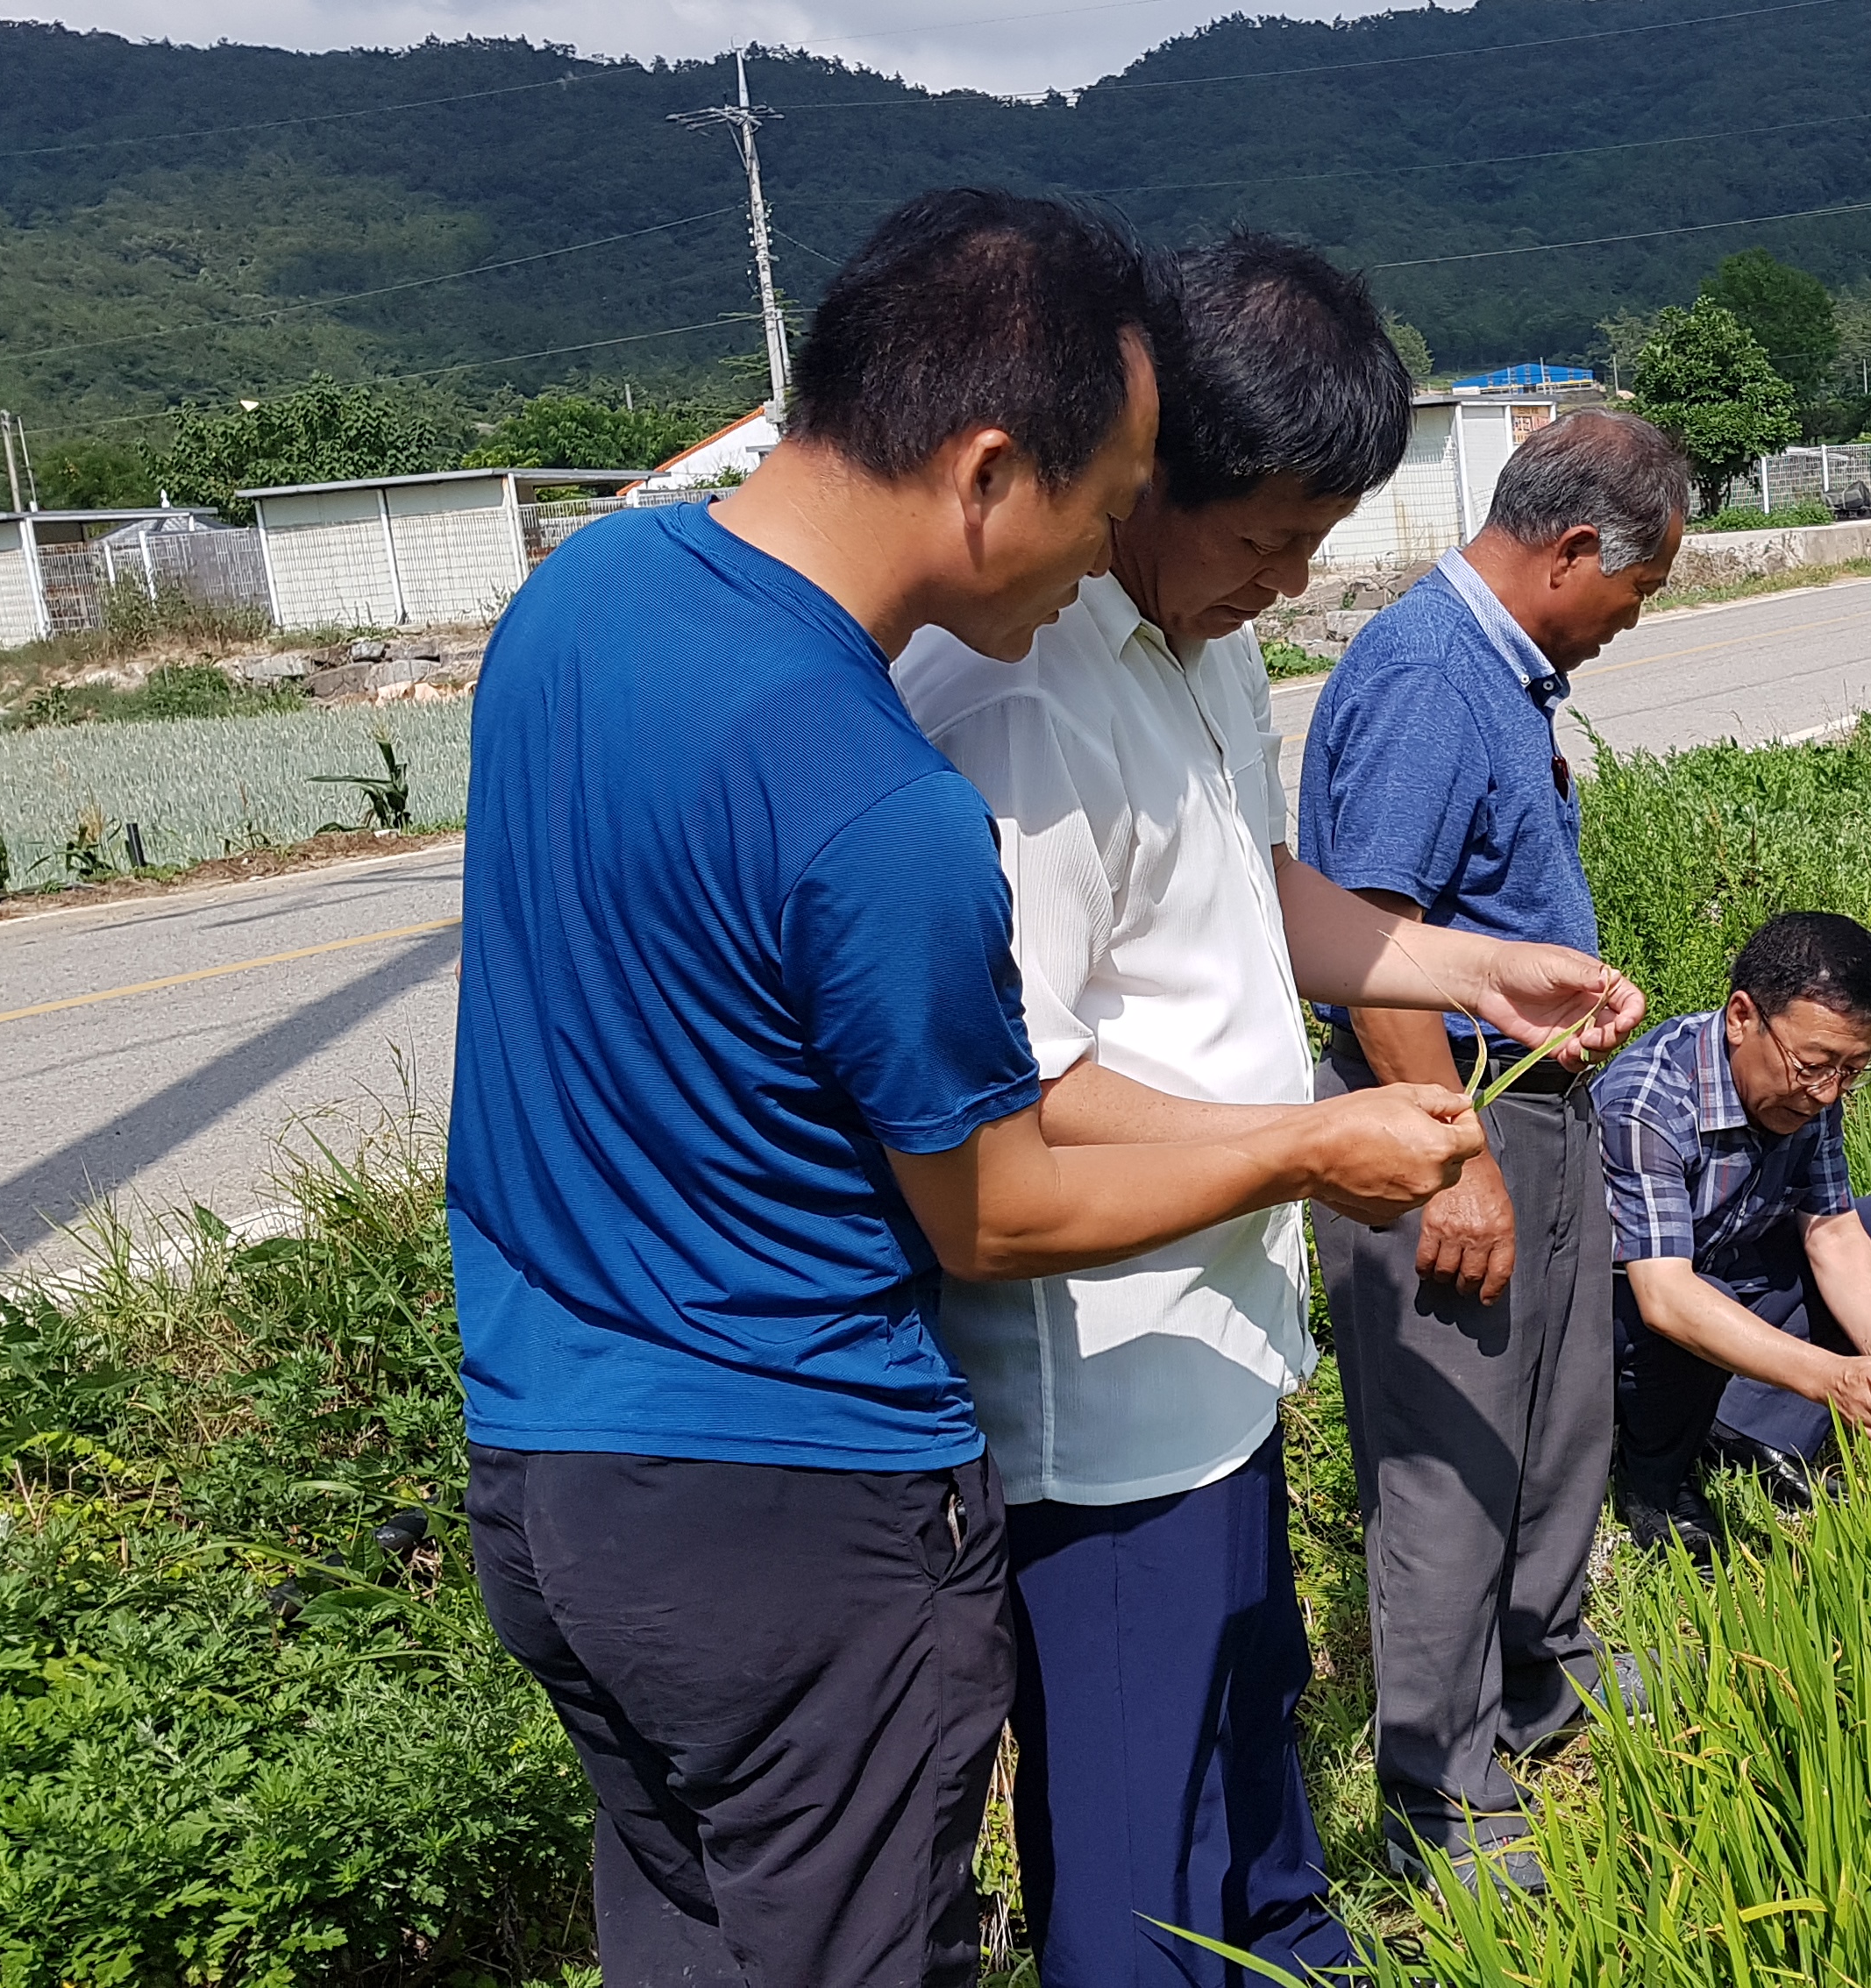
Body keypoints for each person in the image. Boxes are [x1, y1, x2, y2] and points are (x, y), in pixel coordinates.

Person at [449, 191, 1488, 1988]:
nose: (1102, 560)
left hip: (552, 1470)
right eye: (1105, 509)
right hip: (793, 1501)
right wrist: (1316, 1143)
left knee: (693, 1940)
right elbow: (997, 1208)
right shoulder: (888, 803)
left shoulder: (582, 600)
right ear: (990, 471)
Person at [889, 234, 1640, 1985]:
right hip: (1102, 1385)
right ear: (1143, 469)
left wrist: (1467, 971)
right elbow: (1028, 1089)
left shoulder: (1196, 640)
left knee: (1250, 1754)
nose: (1284, 581)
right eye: (1262, 537)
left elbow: (1253, 885)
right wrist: (1312, 1147)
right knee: (1139, 1855)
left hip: (1220, 1343)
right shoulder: (1017, 692)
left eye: (1315, 543)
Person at [1295, 409, 1690, 1892]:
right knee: (1452, 1455)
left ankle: (1545, 1674)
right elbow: (1365, 938)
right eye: (1632, 593)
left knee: (1553, 1417)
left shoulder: (1499, 674)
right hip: (1446, 1113)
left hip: (1528, 1096)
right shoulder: (1423, 673)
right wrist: (1450, 1156)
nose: (1625, 625)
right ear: (1574, 551)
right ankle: (1441, 1798)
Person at [1595, 912, 1871, 1565]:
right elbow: (1664, 1297)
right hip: (1623, 1314)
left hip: (1723, 1270)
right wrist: (1832, 1378)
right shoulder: (1647, 1102)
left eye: (1852, 1070)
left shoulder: (1809, 1092)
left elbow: (1833, 1232)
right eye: (1815, 1065)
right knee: (1694, 1298)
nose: (1828, 1093)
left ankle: (1741, 1432)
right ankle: (1655, 1479)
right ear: (1742, 1016)